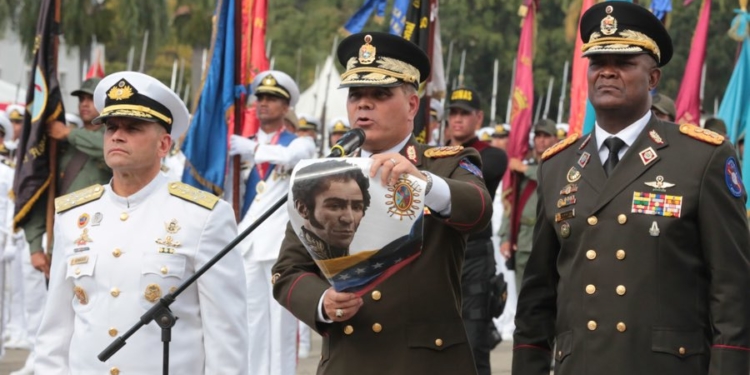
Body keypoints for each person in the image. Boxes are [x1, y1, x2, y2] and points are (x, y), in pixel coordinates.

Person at [512, 3, 750, 374]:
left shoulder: (702, 158)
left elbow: (733, 289)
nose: (607, 71)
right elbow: (537, 297)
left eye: (623, 63)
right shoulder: (558, 165)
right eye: (597, 62)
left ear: (653, 78)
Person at [272, 31, 493, 375]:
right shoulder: (323, 174)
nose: (363, 104)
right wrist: (322, 302)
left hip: (427, 364)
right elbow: (287, 271)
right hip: (350, 359)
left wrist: (422, 183)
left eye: (380, 93)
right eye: (356, 94)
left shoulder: (443, 163)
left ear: (412, 104)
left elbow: (478, 209)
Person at [34, 71, 248, 374]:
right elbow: (55, 331)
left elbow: (227, 336)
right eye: (111, 127)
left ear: (163, 145)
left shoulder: (204, 217)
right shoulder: (72, 216)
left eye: (133, 128)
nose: (117, 136)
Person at [10, 77, 114, 375]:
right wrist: (35, 245)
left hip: (99, 243)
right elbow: (39, 193)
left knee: (94, 314)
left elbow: (102, 149)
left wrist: (68, 134)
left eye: (90, 98)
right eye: (80, 98)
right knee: (55, 316)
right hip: (61, 243)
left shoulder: (107, 140)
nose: (83, 103)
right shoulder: (60, 145)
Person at [229, 70, 316, 375]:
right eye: (261, 97)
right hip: (248, 244)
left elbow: (293, 157)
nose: (264, 103)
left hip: (281, 247)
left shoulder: (299, 143)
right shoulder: (242, 144)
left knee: (281, 323)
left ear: (286, 106)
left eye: (273, 99)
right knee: (251, 321)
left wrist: (253, 150)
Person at [446, 86, 508, 375]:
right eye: (453, 113)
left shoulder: (491, 155)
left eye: (464, 113)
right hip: (440, 255)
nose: (457, 119)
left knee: (472, 347)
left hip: (474, 257)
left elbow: (479, 170)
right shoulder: (434, 151)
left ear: (478, 117)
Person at [499, 119, 557, 293]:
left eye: (546, 136)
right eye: (538, 135)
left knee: (546, 297)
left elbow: (550, 180)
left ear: (555, 139)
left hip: (549, 241)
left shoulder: (559, 165)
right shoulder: (524, 164)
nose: (541, 140)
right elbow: (511, 203)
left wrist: (525, 170)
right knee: (522, 296)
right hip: (523, 241)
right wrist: (505, 237)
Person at [292, 160, 369, 259]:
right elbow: (289, 269)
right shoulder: (294, 242)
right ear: (303, 209)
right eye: (335, 206)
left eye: (356, 207)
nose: (349, 219)